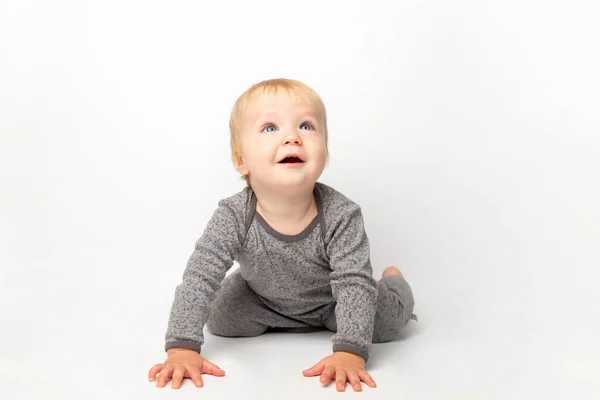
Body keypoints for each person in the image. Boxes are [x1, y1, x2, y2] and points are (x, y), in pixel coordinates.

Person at [148, 78, 417, 392]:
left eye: (306, 126)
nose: (292, 137)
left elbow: (353, 281)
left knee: (386, 322)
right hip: (262, 299)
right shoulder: (233, 214)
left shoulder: (342, 213)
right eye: (270, 128)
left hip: (332, 300)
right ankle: (258, 295)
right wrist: (182, 348)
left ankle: (394, 280)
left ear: (324, 151)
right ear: (240, 160)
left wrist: (349, 352)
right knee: (219, 318)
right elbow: (200, 276)